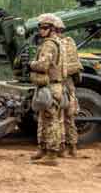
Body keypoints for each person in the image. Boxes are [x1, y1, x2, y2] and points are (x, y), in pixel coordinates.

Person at [28, 13, 66, 161]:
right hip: (51, 85)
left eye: (44, 28)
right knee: (44, 120)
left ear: (52, 29)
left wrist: (31, 64)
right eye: (40, 27)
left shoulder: (49, 45)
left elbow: (43, 65)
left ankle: (51, 154)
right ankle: (43, 149)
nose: (41, 31)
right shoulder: (57, 43)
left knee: (51, 120)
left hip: (50, 86)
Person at [54, 17, 82, 157]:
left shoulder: (54, 44)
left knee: (57, 118)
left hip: (58, 84)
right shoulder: (70, 43)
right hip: (70, 85)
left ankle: (61, 147)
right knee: (69, 118)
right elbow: (76, 67)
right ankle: (73, 147)